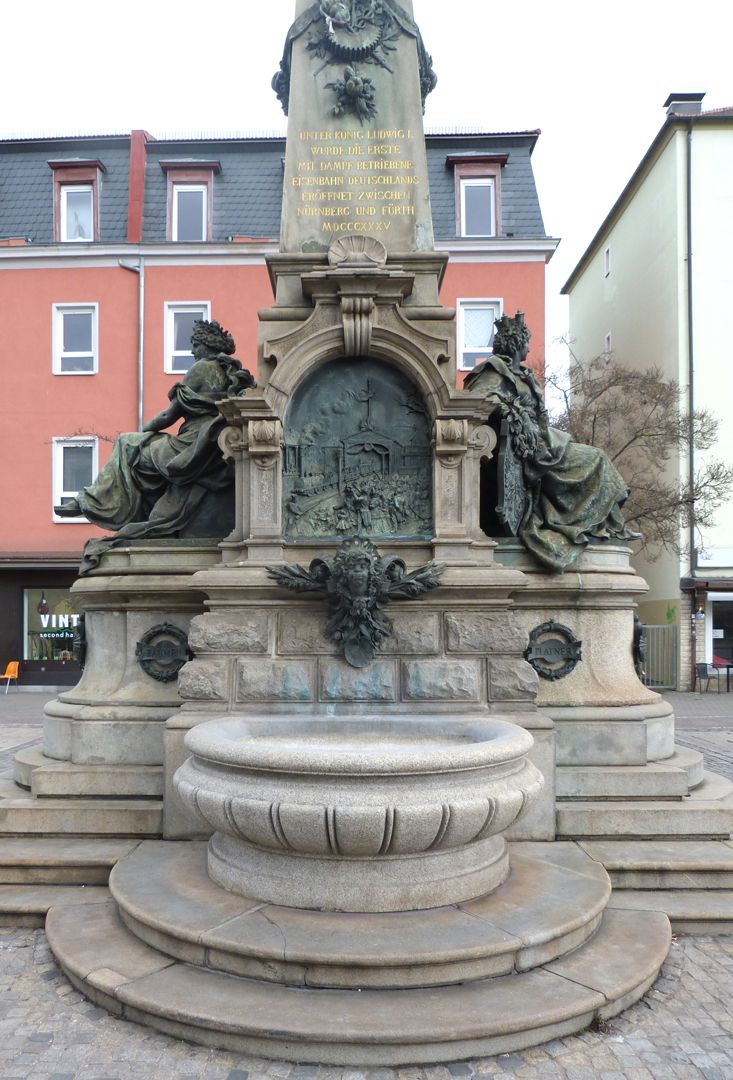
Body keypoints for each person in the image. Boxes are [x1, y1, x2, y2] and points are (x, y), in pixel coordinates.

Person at [56, 320, 255, 572]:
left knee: (127, 443)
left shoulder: (201, 369)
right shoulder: (233, 373)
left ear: (206, 345)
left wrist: (144, 431)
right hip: (210, 443)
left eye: (194, 345)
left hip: (191, 445)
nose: (193, 352)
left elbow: (169, 416)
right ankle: (98, 502)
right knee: (136, 451)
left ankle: (92, 502)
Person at [465, 311, 639, 572]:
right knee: (597, 459)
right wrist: (516, 414)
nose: (528, 346)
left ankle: (608, 527)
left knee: (596, 457)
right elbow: (478, 401)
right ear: (517, 343)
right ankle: (601, 526)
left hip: (546, 442)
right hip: (533, 451)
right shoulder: (493, 372)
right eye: (526, 341)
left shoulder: (521, 374)